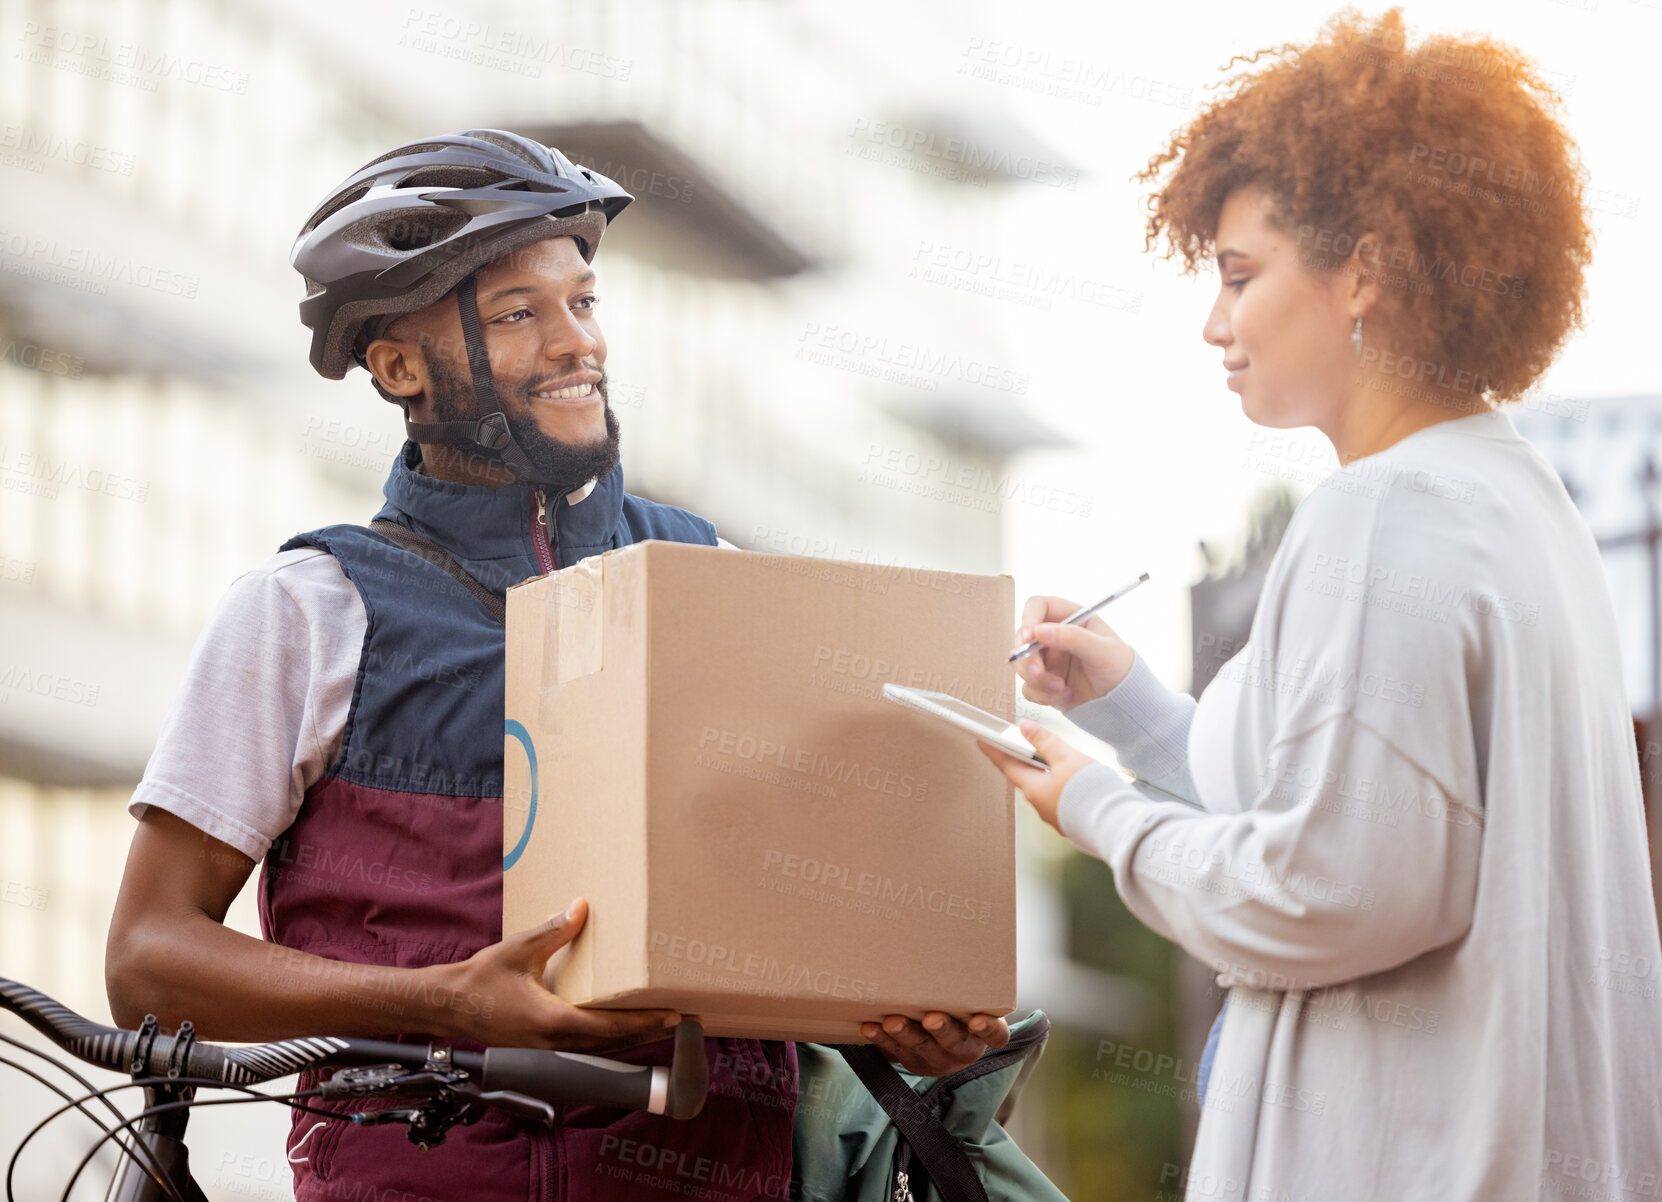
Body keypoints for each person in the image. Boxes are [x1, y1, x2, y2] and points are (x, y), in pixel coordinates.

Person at [104, 129, 1006, 1201]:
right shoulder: (307, 608)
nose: (577, 341)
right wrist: (444, 998)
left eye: (583, 301)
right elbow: (147, 959)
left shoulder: (711, 576)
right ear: (397, 365)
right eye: (517, 314)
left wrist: (906, 1015)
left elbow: (798, 917)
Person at [980, 9, 1662, 1201]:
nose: (1214, 322)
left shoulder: (1385, 516)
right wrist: (1132, 707)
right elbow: (1355, 799)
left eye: (1240, 275)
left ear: (1367, 268)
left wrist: (1099, 808)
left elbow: (1336, 888)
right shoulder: (1511, 499)